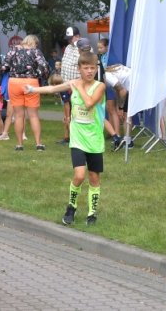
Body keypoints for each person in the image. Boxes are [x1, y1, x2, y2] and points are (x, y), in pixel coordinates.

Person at [25, 51, 106, 225]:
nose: (89, 71)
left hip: (95, 140)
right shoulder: (72, 83)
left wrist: (79, 87)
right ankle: (72, 206)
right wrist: (32, 89)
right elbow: (52, 89)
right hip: (77, 139)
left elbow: (89, 103)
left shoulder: (100, 87)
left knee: (94, 177)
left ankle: (92, 213)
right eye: (86, 68)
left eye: (93, 68)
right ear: (79, 69)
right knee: (79, 175)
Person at [0, 34, 50, 151]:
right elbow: (44, 67)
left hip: (14, 82)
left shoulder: (13, 50)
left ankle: (19, 145)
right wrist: (38, 74)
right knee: (33, 115)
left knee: (18, 116)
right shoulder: (35, 51)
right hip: (31, 82)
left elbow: (3, 67)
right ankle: (38, 144)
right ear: (34, 43)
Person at [58, 27, 84, 145]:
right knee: (66, 111)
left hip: (77, 85)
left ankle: (76, 136)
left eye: (71, 38)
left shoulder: (84, 48)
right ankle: (67, 137)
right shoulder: (68, 47)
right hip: (66, 84)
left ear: (78, 36)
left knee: (76, 111)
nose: (69, 40)